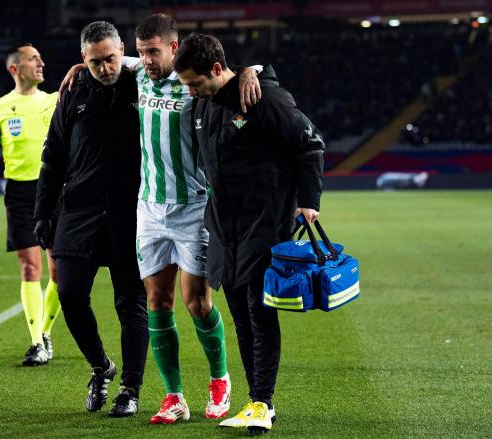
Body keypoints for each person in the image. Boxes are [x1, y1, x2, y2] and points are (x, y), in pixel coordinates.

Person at [59, 13, 262, 424]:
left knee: (197, 302)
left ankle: (219, 378)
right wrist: (82, 65)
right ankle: (173, 396)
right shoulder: (136, 74)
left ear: (173, 47)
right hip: (149, 209)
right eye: (141, 52)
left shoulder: (191, 82)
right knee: (157, 303)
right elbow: (109, 61)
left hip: (192, 208)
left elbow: (231, 74)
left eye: (153, 51)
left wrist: (251, 72)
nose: (146, 59)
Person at [174, 33, 325, 433]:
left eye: (194, 82)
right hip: (225, 227)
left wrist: (308, 202)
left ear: (218, 70)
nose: (189, 90)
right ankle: (257, 401)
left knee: (260, 312)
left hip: (265, 221)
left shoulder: (265, 99)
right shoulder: (203, 106)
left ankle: (263, 402)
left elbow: (309, 144)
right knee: (241, 316)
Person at [33, 21, 148, 418]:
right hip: (78, 211)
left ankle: (130, 388)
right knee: (69, 296)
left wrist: (253, 71)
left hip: (130, 214)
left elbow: (178, 62)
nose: (104, 67)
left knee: (130, 303)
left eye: (111, 58)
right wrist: (42, 214)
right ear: (83, 60)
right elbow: (53, 159)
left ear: (122, 52)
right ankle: (102, 367)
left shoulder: (143, 84)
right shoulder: (72, 93)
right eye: (94, 61)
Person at [0, 42, 61, 367]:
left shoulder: (55, 101)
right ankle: (36, 343)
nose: (41, 62)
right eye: (33, 58)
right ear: (15, 68)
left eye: (41, 57)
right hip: (20, 194)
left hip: (54, 190)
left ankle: (46, 330)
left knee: (59, 272)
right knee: (30, 268)